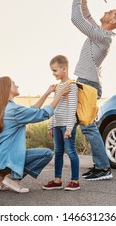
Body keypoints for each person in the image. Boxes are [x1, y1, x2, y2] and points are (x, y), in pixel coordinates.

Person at [71, 0, 116, 180]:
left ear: (113, 20)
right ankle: (99, 166)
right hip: (84, 81)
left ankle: (104, 168)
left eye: (110, 11)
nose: (106, 10)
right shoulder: (99, 31)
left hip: (88, 84)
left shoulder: (104, 37)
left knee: (88, 127)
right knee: (75, 124)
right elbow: (86, 15)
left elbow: (77, 19)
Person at [0, 76, 70, 193]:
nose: (17, 85)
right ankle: (12, 179)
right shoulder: (14, 110)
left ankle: (1, 177)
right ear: (6, 88)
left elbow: (32, 111)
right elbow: (43, 114)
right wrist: (60, 94)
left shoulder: (4, 108)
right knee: (46, 154)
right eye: (13, 83)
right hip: (6, 160)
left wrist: (47, 93)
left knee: (30, 154)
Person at [42, 55, 80, 191]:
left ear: (64, 69)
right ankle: (57, 180)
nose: (53, 74)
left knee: (71, 151)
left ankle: (75, 181)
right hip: (57, 125)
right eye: (52, 71)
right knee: (58, 152)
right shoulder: (58, 86)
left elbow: (72, 107)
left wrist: (69, 128)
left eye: (55, 71)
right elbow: (55, 106)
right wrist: (51, 125)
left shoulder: (71, 86)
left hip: (67, 125)